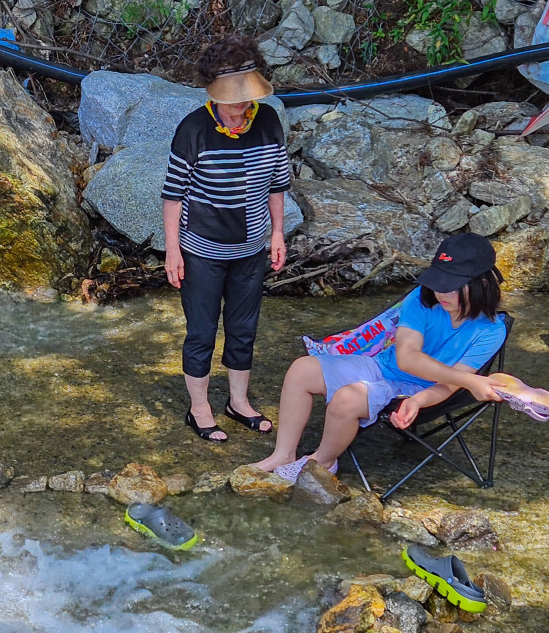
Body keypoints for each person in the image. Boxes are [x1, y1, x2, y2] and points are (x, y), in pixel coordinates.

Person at [251, 232, 507, 482]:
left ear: (481, 283)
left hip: (419, 390)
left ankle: (323, 462)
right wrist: (472, 382)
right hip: (383, 366)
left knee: (346, 400)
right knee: (302, 370)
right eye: (438, 282)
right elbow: (406, 357)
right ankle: (283, 454)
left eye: (451, 287)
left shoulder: (491, 330)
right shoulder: (422, 299)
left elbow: (450, 386)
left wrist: (418, 401)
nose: (442, 293)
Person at [162, 34, 291, 443]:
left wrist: (278, 234)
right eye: (232, 99)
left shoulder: (268, 120)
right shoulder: (193, 129)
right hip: (201, 250)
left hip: (251, 248)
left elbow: (277, 183)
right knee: (201, 330)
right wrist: (172, 250)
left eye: (245, 98)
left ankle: (238, 402)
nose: (240, 107)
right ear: (213, 93)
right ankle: (199, 408)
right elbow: (173, 195)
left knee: (243, 328)